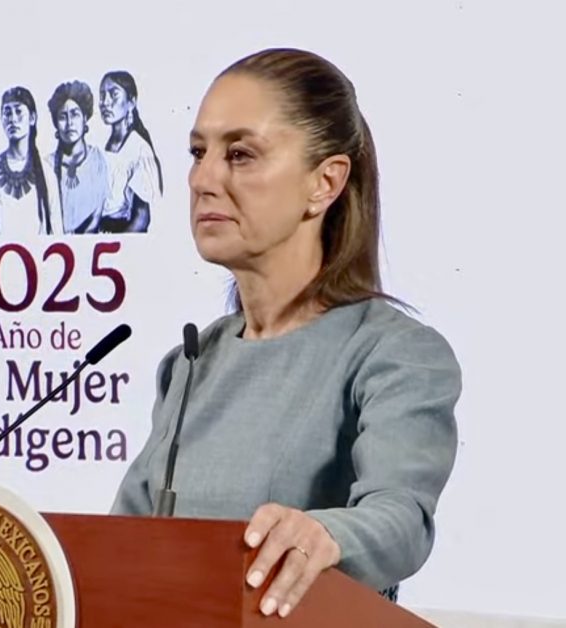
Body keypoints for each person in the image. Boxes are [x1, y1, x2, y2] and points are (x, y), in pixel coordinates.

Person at [109, 48, 461, 618]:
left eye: (240, 154)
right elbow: (116, 546)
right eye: (198, 152)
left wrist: (326, 535)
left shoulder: (395, 353)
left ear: (325, 183)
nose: (203, 179)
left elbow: (402, 519)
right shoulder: (190, 363)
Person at [98, 71, 163, 233]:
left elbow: (142, 218)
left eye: (114, 94)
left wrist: (119, 243)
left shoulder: (139, 149)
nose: (105, 102)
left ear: (131, 102)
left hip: (123, 235)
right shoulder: (101, 145)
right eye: (102, 95)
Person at [0, 87, 63, 236]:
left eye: (18, 111)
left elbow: (56, 232)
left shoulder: (47, 173)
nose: (12, 119)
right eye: (7, 113)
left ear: (32, 118)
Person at [46, 81, 110, 234]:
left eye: (75, 114)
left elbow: (97, 213)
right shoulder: (47, 165)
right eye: (63, 117)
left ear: (84, 118)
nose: (70, 123)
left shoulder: (97, 159)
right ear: (56, 124)